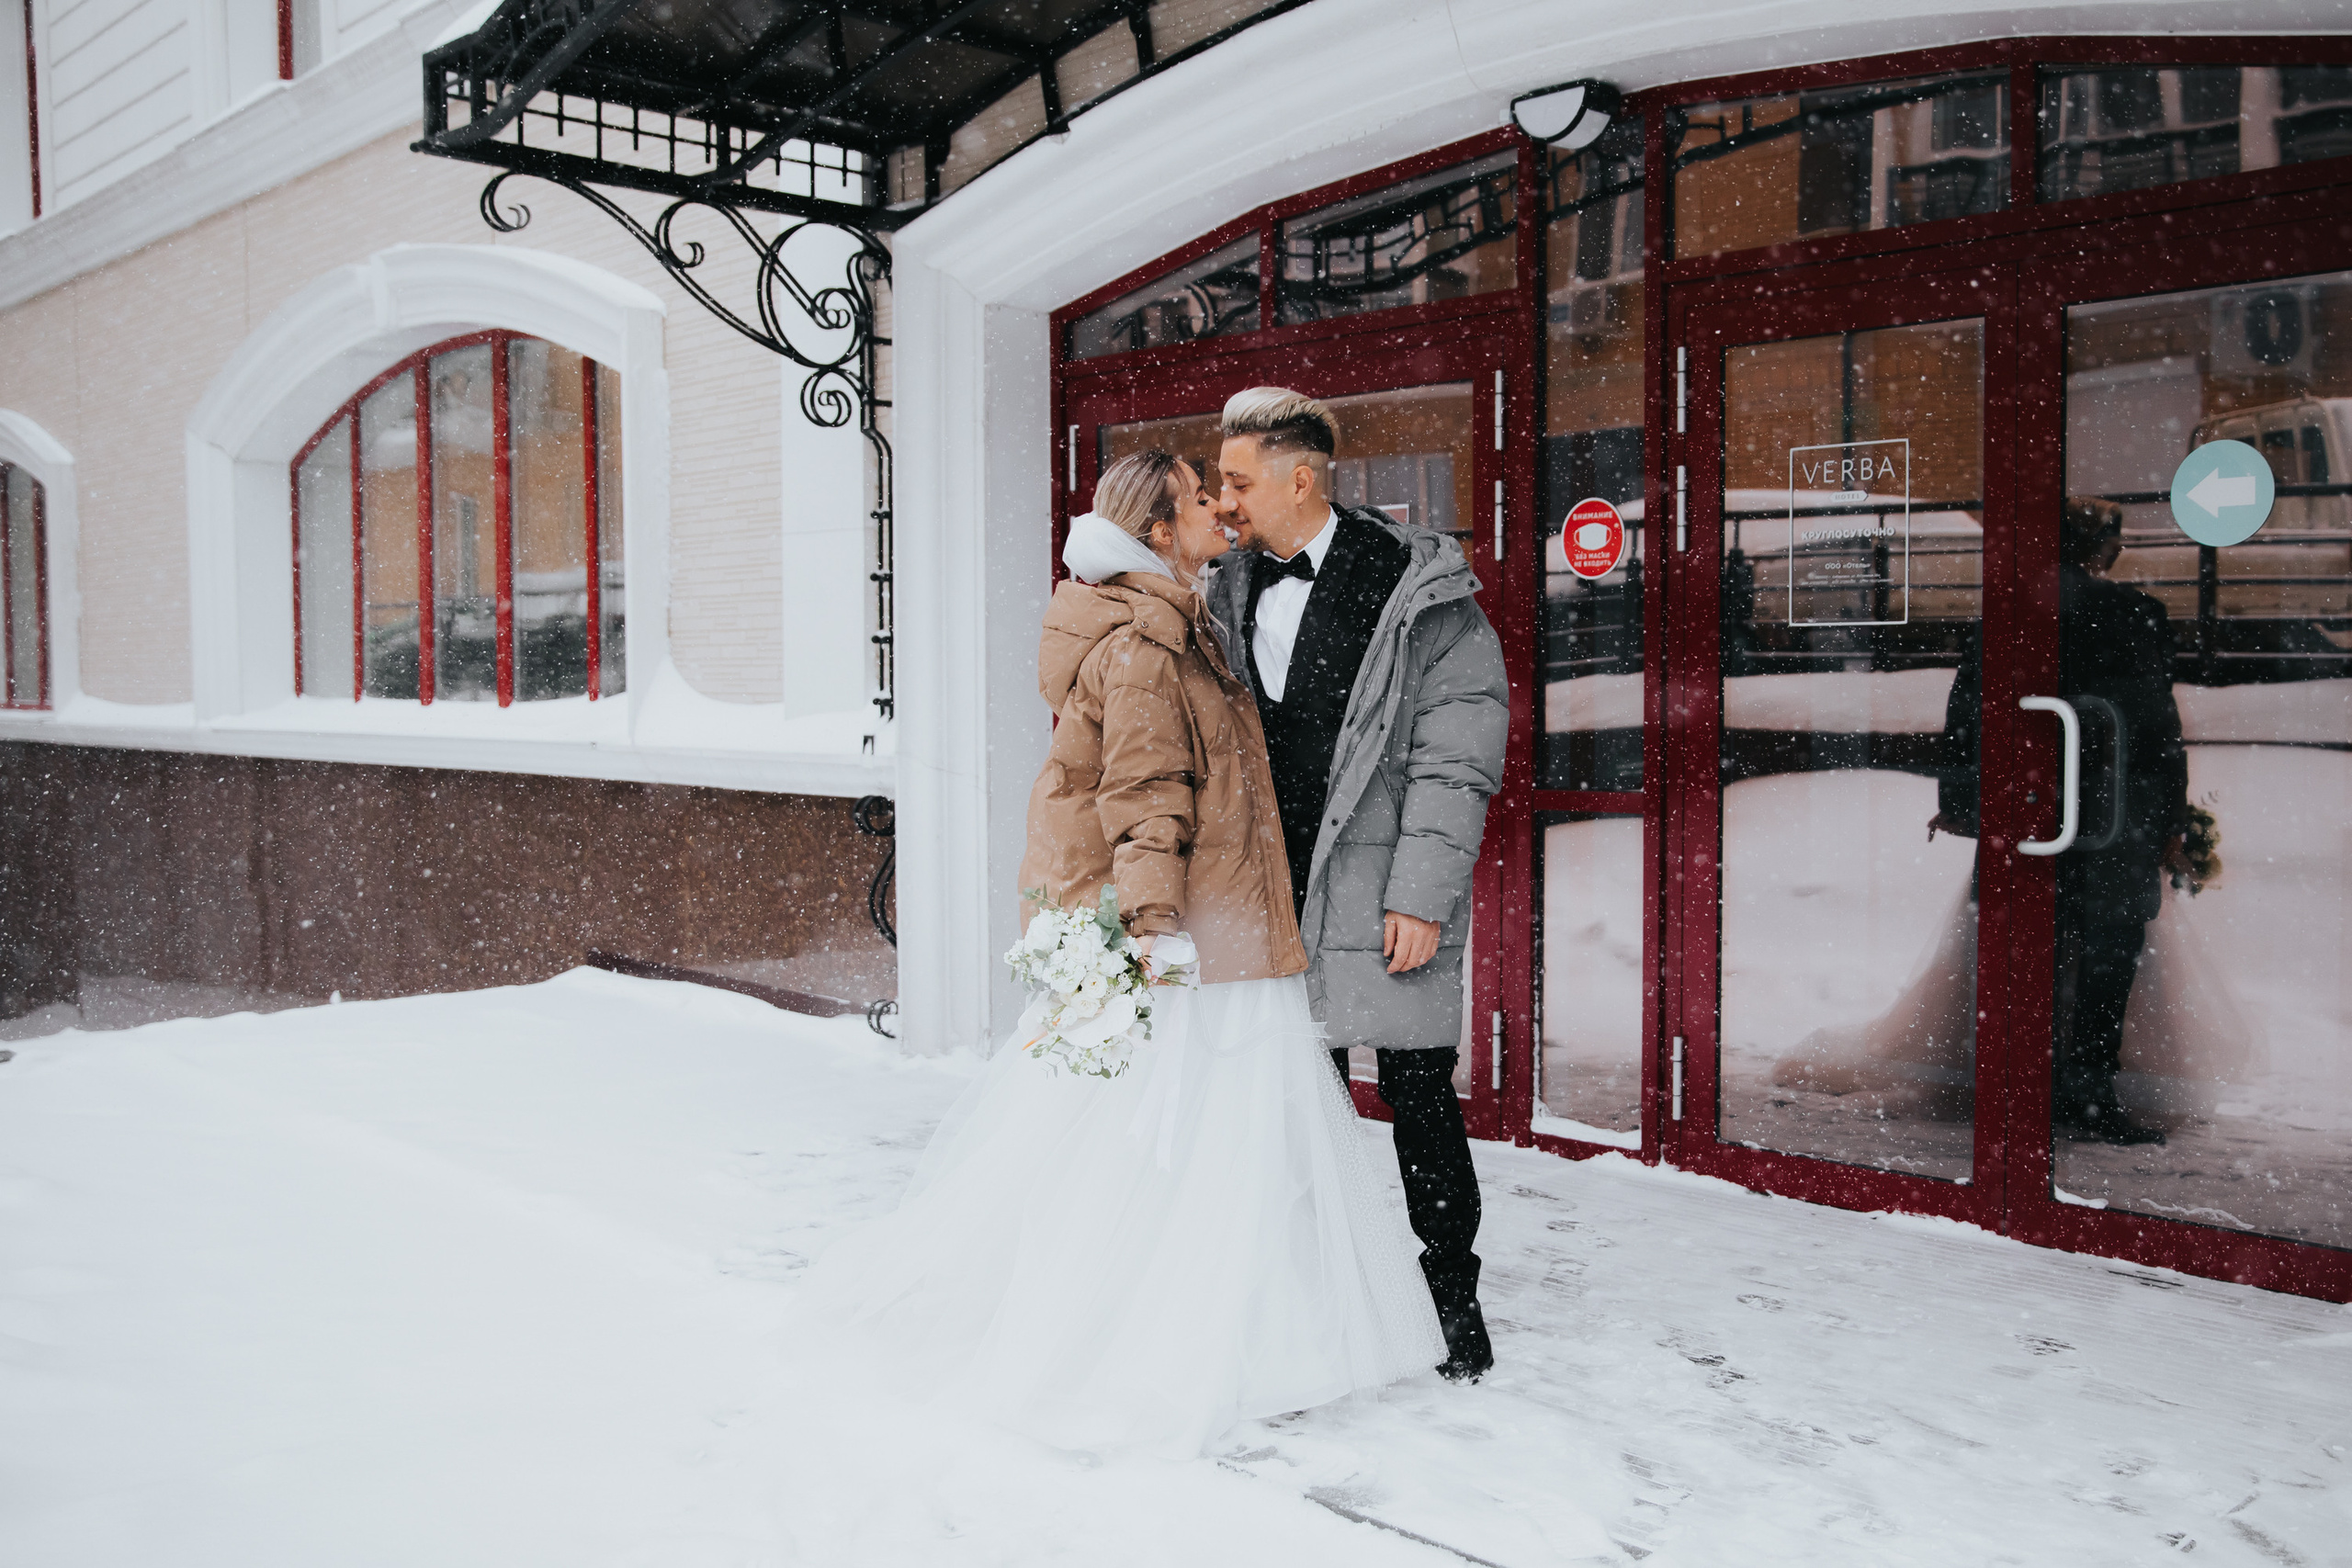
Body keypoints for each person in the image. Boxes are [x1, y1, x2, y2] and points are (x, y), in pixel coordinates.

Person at [793, 450, 1444, 1458]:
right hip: (1197, 933)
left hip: (1227, 920)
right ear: (1156, 532)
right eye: (1197, 501)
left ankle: (1258, 1338)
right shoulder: (1147, 645)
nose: (1219, 513)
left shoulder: (1176, 623)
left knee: (1219, 1151)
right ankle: (1172, 1347)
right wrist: (1153, 927)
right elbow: (1143, 796)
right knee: (1187, 1148)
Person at [1202, 388, 1510, 1382]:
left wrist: (1418, 896)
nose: (1225, 499)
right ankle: (1327, 1298)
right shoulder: (1228, 587)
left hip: (1384, 895)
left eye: (1239, 480)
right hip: (1271, 894)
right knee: (1301, 1100)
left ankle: (1450, 1303)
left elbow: (1454, 761)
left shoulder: (1423, 595)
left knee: (1417, 1092)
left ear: (1301, 477)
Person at [1934, 496, 2187, 1145]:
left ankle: (2026, 1084)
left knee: (2031, 947)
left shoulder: (2009, 616)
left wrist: (1964, 801)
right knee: (2107, 952)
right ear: (2100, 549)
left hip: (2030, 805)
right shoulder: (2129, 613)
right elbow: (2158, 728)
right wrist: (2169, 819)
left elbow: (1966, 718)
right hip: (2111, 809)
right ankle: (2091, 1088)